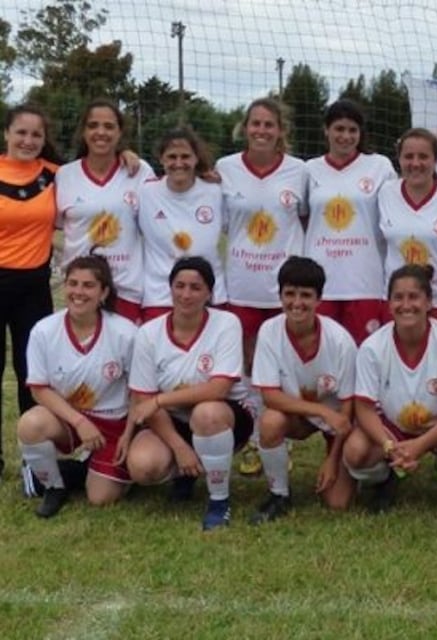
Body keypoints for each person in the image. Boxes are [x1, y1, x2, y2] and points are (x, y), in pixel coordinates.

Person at [344, 264, 437, 518]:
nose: (406, 305)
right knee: (355, 451)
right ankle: (384, 479)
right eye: (398, 297)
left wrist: (421, 445)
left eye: (414, 297)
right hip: (393, 428)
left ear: (429, 302)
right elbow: (363, 408)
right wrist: (389, 446)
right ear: (388, 304)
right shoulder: (372, 347)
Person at [123, 257, 253, 530]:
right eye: (179, 286)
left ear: (209, 293)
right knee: (143, 467)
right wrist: (180, 448)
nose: (186, 294)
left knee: (206, 413)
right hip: (173, 422)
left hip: (223, 416)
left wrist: (160, 399)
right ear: (169, 289)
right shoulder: (148, 333)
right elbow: (142, 400)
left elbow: (219, 389)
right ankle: (186, 473)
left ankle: (219, 501)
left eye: (196, 287)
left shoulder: (226, 323)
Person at [217, 98, 308, 476]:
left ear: (281, 130)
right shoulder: (225, 169)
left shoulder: (299, 171)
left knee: (282, 367)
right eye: (255, 124)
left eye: (269, 125)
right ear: (245, 127)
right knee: (248, 366)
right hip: (241, 284)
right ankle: (255, 438)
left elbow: (305, 217)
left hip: (283, 289)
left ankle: (278, 440)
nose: (261, 131)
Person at [17, 255, 137, 517]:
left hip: (113, 423)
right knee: (30, 423)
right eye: (73, 283)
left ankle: (85, 469)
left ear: (104, 292)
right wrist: (80, 422)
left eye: (88, 285)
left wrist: (129, 434)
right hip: (69, 420)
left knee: (100, 497)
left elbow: (139, 392)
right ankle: (53, 486)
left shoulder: (125, 333)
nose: (78, 292)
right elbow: (39, 389)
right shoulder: (44, 330)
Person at [249, 257, 357, 523]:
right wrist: (320, 410)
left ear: (319, 300)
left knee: (337, 503)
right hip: (299, 416)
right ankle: (279, 494)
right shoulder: (269, 331)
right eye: (290, 294)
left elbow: (347, 410)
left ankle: (362, 473)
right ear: (280, 295)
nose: (297, 303)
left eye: (306, 295)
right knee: (270, 420)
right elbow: (270, 395)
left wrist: (333, 460)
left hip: (337, 423)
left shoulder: (340, 341)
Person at [0, 104, 62, 475]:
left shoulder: (55, 175)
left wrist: (130, 156)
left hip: (34, 286)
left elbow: (102, 170)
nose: (28, 140)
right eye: (21, 132)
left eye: (36, 134)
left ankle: (33, 456)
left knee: (32, 374)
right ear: (7, 133)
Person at [56, 99, 156, 324]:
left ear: (120, 133)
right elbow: (52, 228)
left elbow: (169, 205)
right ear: (83, 131)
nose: (101, 132)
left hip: (125, 290)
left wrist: (205, 175)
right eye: (93, 125)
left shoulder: (139, 172)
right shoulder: (64, 175)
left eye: (109, 126)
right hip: (82, 291)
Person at [304, 99, 395, 345]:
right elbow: (302, 218)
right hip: (321, 283)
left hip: (365, 282)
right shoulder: (309, 170)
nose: (345, 136)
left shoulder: (379, 166)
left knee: (365, 356)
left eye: (352, 130)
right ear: (326, 130)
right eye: (339, 129)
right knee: (324, 357)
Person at [378, 128, 437, 333]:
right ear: (399, 159)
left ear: (436, 160)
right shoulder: (385, 193)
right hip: (399, 300)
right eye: (408, 156)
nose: (415, 164)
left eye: (423, 157)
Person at [137, 129, 227, 321]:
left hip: (210, 296)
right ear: (161, 159)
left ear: (196, 159)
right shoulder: (145, 192)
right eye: (171, 157)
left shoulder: (216, 191)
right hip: (160, 297)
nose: (179, 163)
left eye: (185, 156)